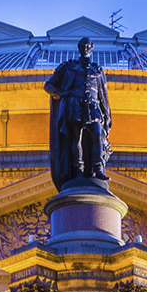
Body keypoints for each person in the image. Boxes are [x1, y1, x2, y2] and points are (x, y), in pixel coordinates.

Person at [44, 37, 112, 187]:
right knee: (76, 138)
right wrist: (60, 94)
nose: (86, 48)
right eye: (83, 46)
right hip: (74, 105)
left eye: (88, 46)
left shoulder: (98, 71)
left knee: (96, 134)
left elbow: (103, 97)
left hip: (93, 107)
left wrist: (107, 116)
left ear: (92, 47)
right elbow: (48, 85)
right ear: (79, 48)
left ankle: (98, 169)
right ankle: (78, 170)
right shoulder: (68, 67)